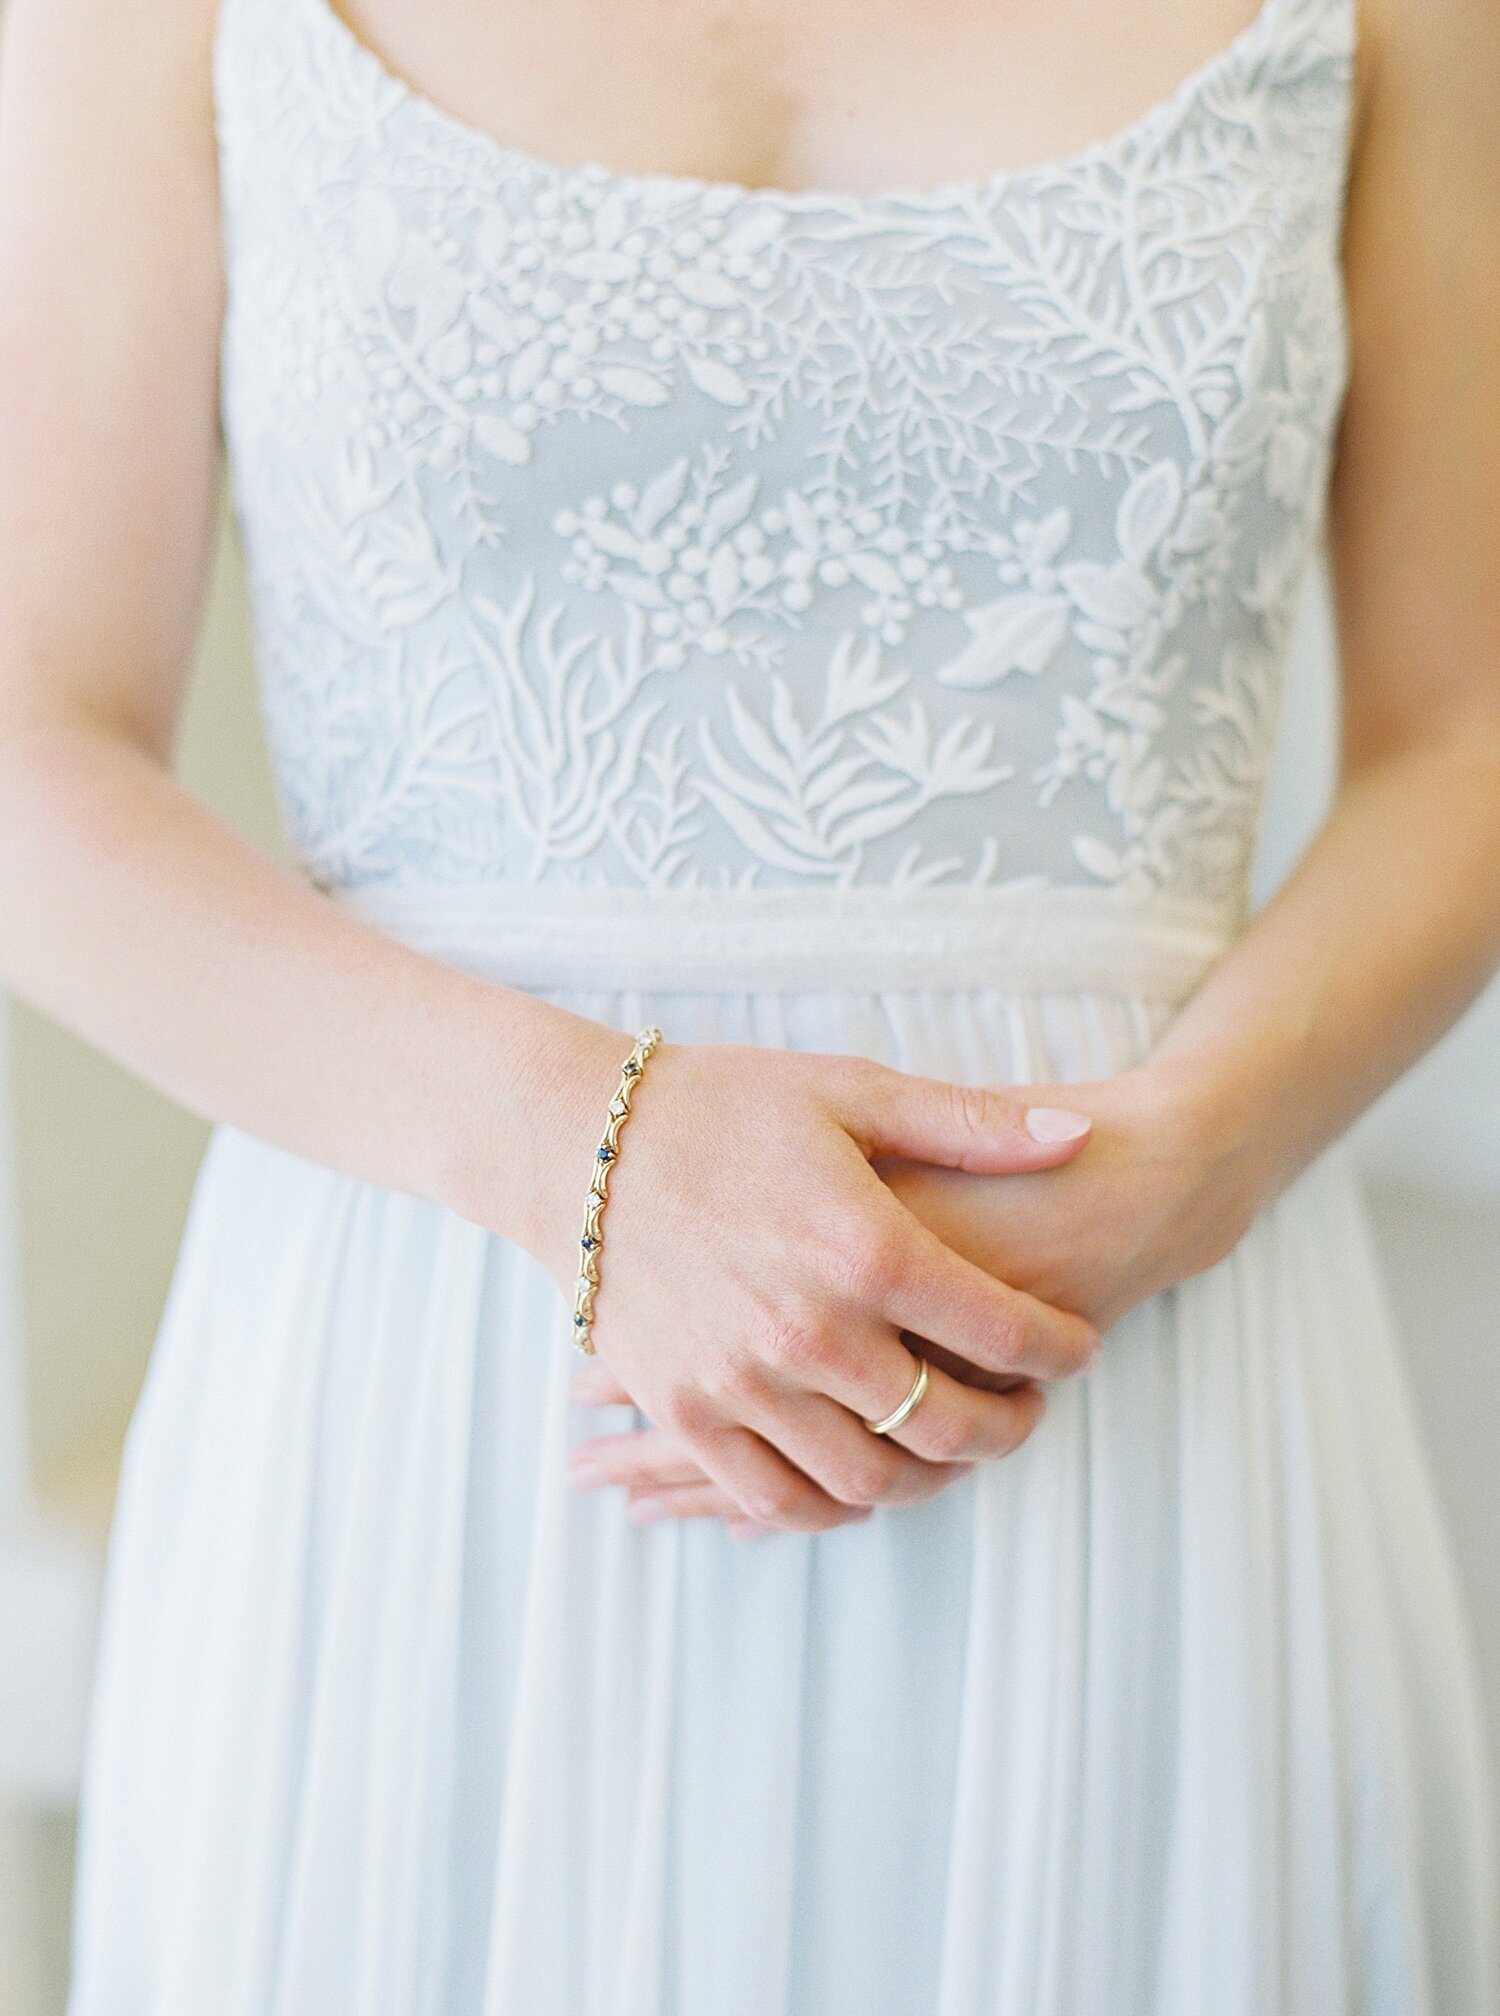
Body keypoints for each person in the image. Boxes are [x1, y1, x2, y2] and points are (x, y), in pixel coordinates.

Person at [0, 0, 1496, 2006]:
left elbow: (1470, 720)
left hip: (1128, 1364)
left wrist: (1199, 1160)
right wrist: (584, 1148)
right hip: (451, 1396)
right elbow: (28, 748)